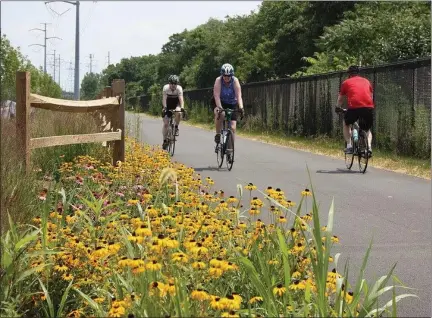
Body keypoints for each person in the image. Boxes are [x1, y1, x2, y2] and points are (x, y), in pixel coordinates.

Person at [337, 65, 374, 156]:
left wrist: (337, 107)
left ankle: (349, 146)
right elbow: (371, 96)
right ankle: (369, 147)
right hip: (368, 107)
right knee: (367, 129)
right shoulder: (366, 81)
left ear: (349, 74)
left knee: (346, 123)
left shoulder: (346, 82)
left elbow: (340, 99)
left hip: (354, 108)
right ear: (358, 73)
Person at [212, 63, 244, 151]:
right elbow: (217, 96)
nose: (226, 78)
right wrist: (220, 107)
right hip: (220, 102)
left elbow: (239, 96)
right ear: (222, 75)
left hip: (232, 103)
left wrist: (241, 107)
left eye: (228, 76)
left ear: (231, 75)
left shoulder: (235, 81)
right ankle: (218, 134)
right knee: (220, 114)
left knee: (233, 127)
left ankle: (231, 149)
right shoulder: (218, 80)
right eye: (225, 76)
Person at [162, 74, 184, 150]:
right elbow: (164, 99)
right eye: (172, 83)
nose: (173, 85)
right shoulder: (165, 88)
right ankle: (165, 140)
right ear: (169, 83)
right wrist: (165, 108)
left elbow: (181, 99)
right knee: (165, 124)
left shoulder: (179, 89)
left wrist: (182, 107)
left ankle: (176, 127)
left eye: (175, 83)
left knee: (179, 112)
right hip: (167, 104)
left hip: (176, 103)